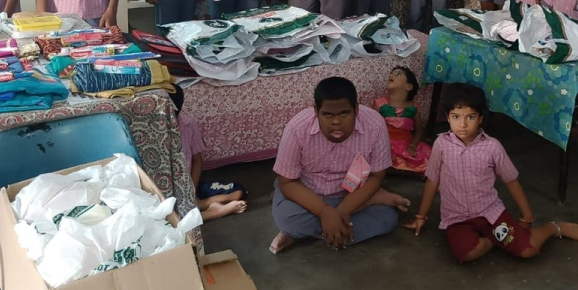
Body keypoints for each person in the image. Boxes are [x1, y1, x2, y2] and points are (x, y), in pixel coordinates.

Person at [404, 84, 578, 263]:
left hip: (490, 213)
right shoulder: (441, 145)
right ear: (447, 117)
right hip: (456, 218)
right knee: (467, 253)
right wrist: (421, 217)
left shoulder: (492, 147)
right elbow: (432, 180)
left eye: (470, 117)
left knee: (528, 251)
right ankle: (497, 239)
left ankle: (552, 228)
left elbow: (511, 180)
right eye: (456, 116)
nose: (463, 124)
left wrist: (527, 215)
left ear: (480, 118)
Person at [270, 76, 410, 254]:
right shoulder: (297, 128)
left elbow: (376, 176)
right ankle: (352, 215)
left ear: (356, 109)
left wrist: (342, 210)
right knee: (288, 219)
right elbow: (287, 182)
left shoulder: (375, 124)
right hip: (306, 194)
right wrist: (324, 212)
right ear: (316, 111)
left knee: (386, 219)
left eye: (344, 113)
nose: (336, 122)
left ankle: (302, 234)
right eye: (328, 114)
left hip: (352, 193)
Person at [170, 85, 248, 221]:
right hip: (167, 190)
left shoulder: (188, 124)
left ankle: (197, 205)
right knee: (166, 214)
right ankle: (213, 212)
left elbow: (197, 160)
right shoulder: (154, 131)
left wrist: (192, 190)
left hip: (187, 185)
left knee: (238, 191)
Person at [373, 66, 431, 173]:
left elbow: (418, 131)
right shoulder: (379, 104)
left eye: (398, 74)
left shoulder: (414, 108)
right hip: (385, 145)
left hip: (406, 145)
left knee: (428, 161)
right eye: (391, 74)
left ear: (408, 86)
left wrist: (413, 145)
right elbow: (372, 129)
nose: (391, 75)